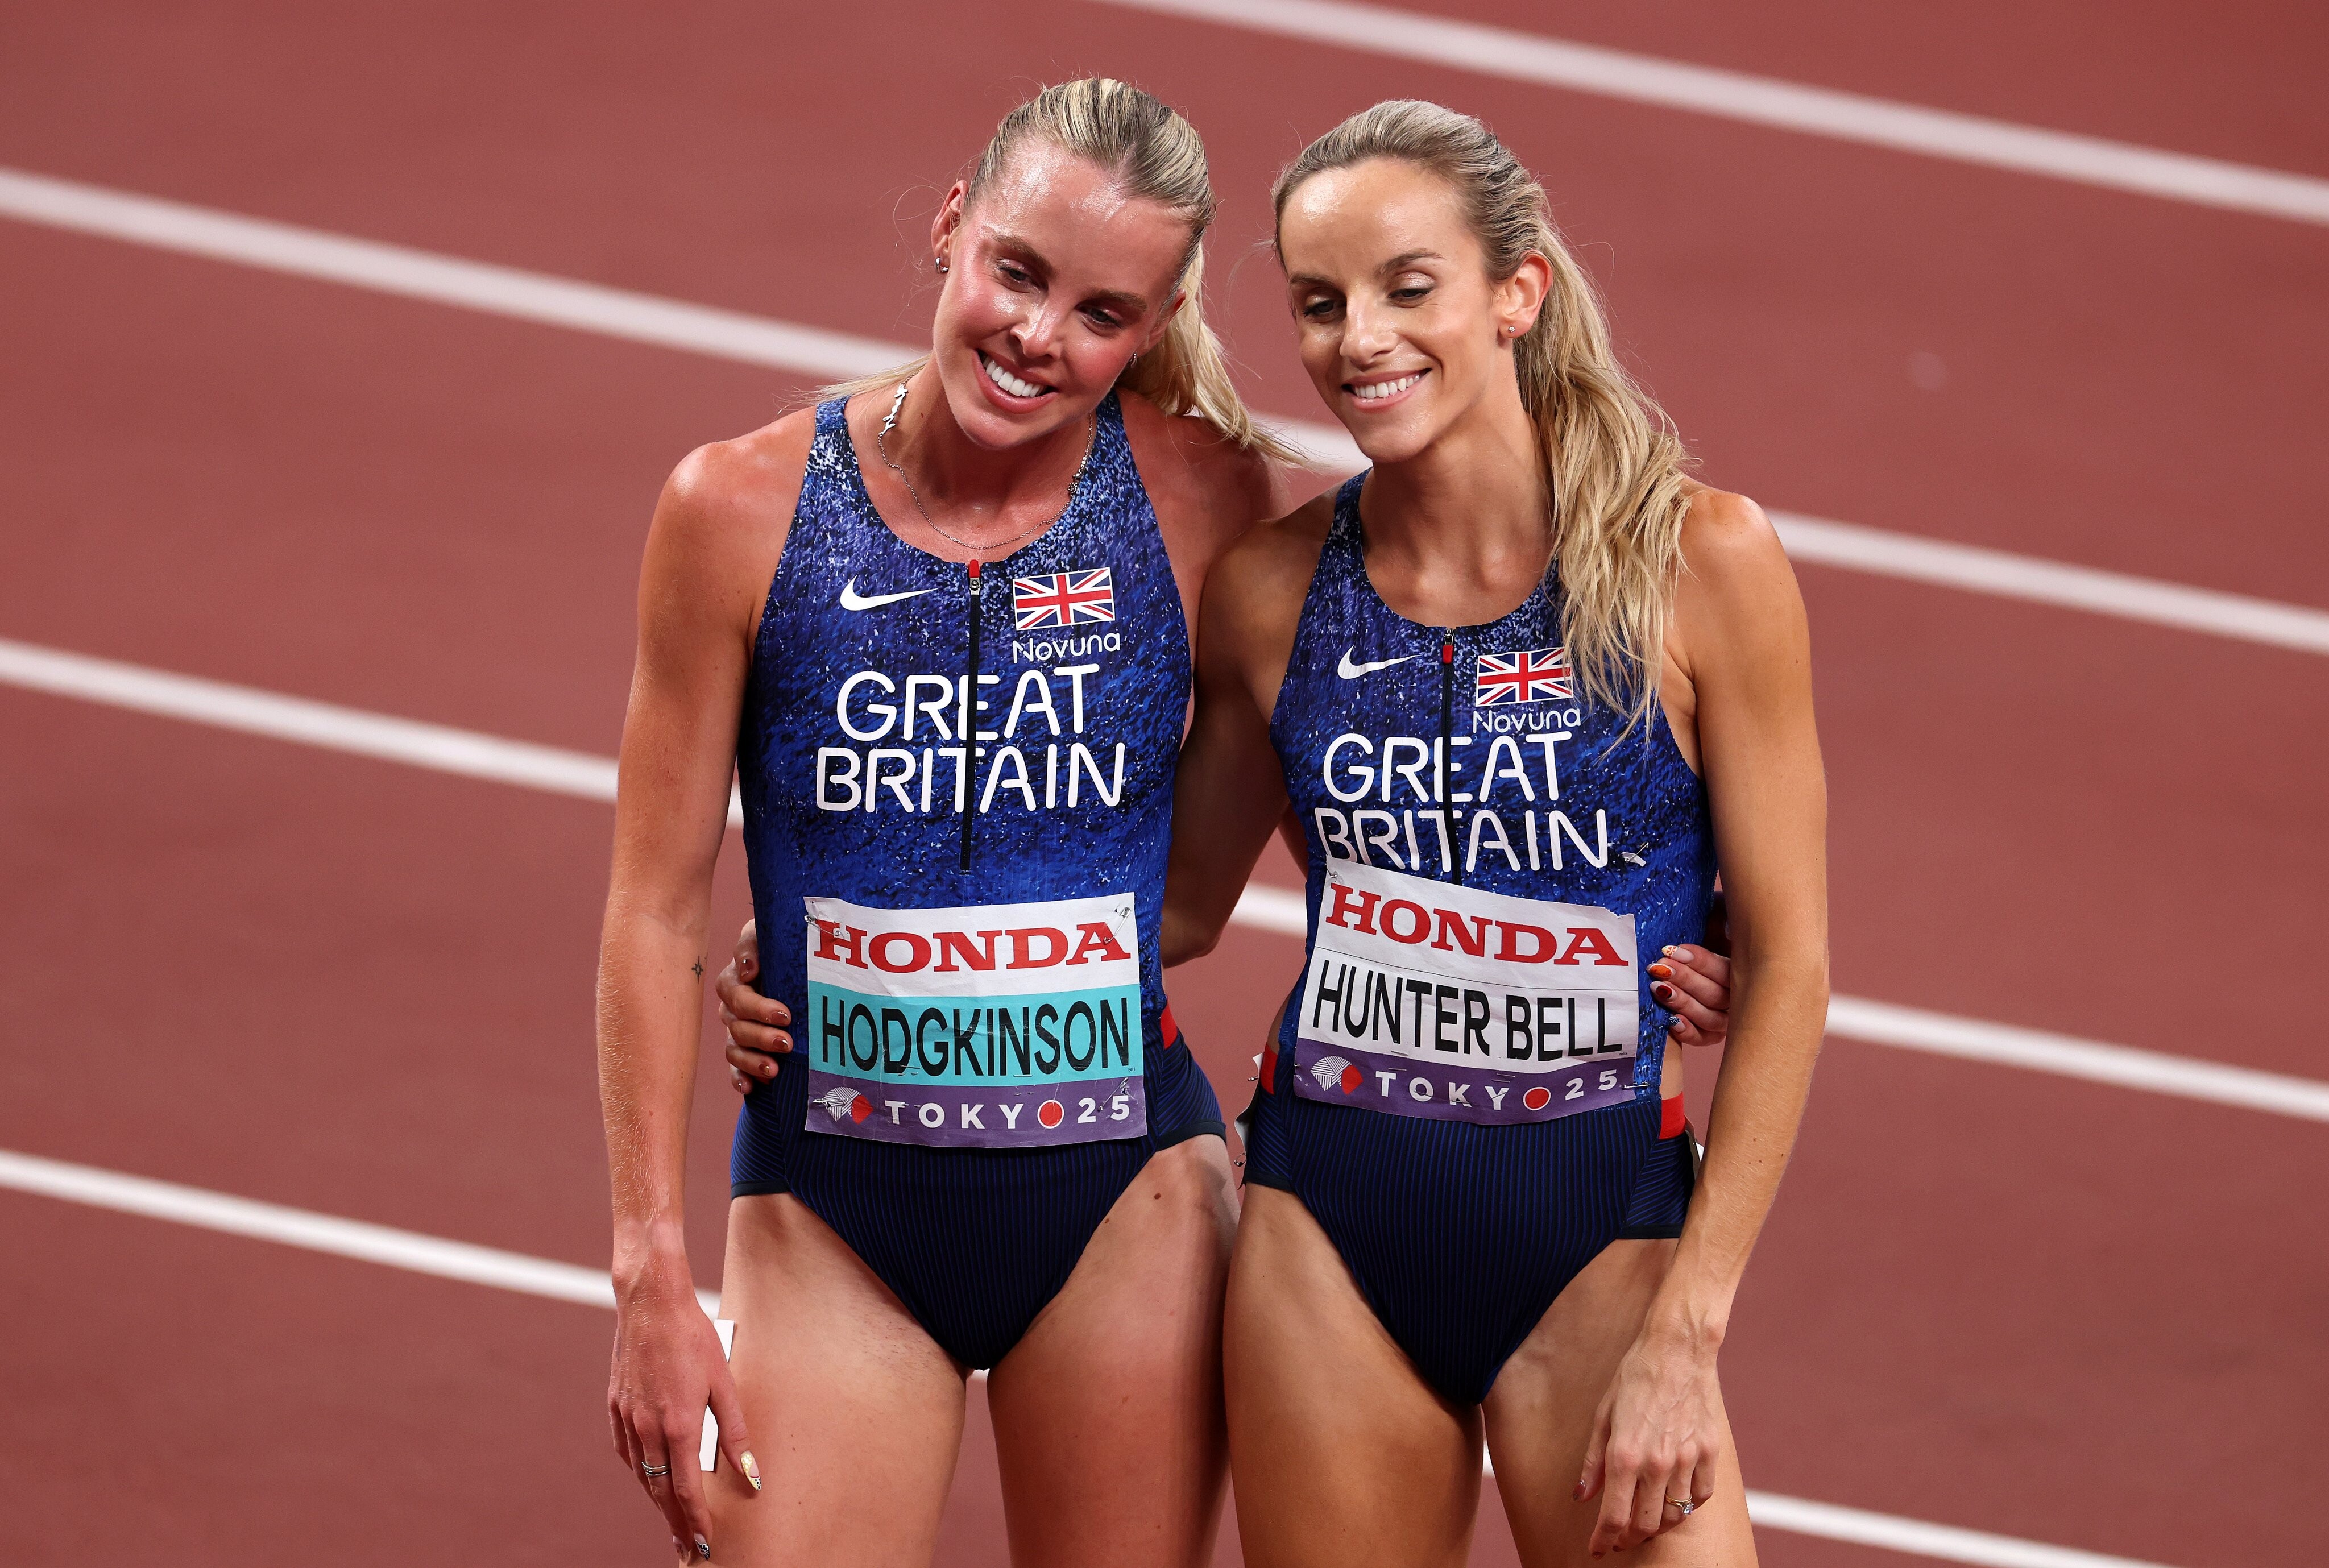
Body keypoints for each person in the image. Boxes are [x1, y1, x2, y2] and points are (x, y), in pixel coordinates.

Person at [595, 78, 1302, 1566]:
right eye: (1017, 271)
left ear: (1160, 325)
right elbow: (654, 908)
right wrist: (651, 1276)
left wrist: (1693, 938)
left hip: (1128, 1203)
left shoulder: (1207, 503)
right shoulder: (737, 510)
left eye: (1102, 313)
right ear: (950, 227)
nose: (1040, 336)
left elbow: (1395, 765)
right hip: (834, 1210)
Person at [1159, 102, 1827, 1566]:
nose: (1361, 341)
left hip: (1603, 1241)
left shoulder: (1701, 566)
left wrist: (1689, 1333)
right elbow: (1177, 909)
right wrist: (849, 944)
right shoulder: (1270, 592)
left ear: (1517, 292)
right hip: (1330, 1229)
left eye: (1409, 287)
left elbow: (1791, 965)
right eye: (1320, 303)